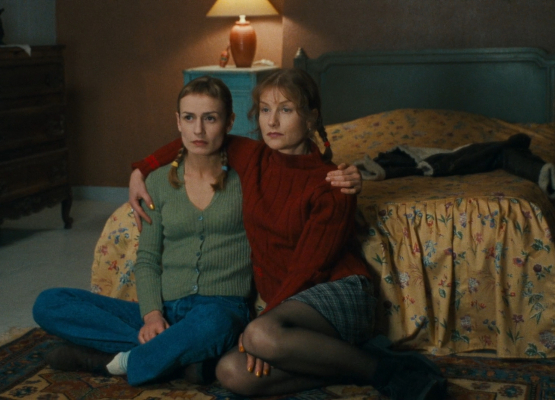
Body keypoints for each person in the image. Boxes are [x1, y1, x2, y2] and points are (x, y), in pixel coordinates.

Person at [130, 69, 446, 399]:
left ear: (310, 118)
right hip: (285, 307)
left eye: (286, 110)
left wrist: (265, 322)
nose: (272, 122)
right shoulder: (252, 157)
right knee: (231, 372)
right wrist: (141, 170)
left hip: (337, 291)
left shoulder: (333, 183)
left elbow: (309, 270)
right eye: (265, 110)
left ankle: (389, 372)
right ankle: (357, 363)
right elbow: (199, 138)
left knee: (260, 335)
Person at [32, 76, 254, 386]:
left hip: (221, 308)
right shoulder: (159, 182)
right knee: (49, 303)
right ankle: (182, 357)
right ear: (178, 121)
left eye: (210, 118)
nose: (198, 130)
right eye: (189, 118)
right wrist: (151, 315)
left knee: (214, 323)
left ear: (229, 121)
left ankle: (117, 361)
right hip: (167, 310)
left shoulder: (249, 179)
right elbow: (148, 258)